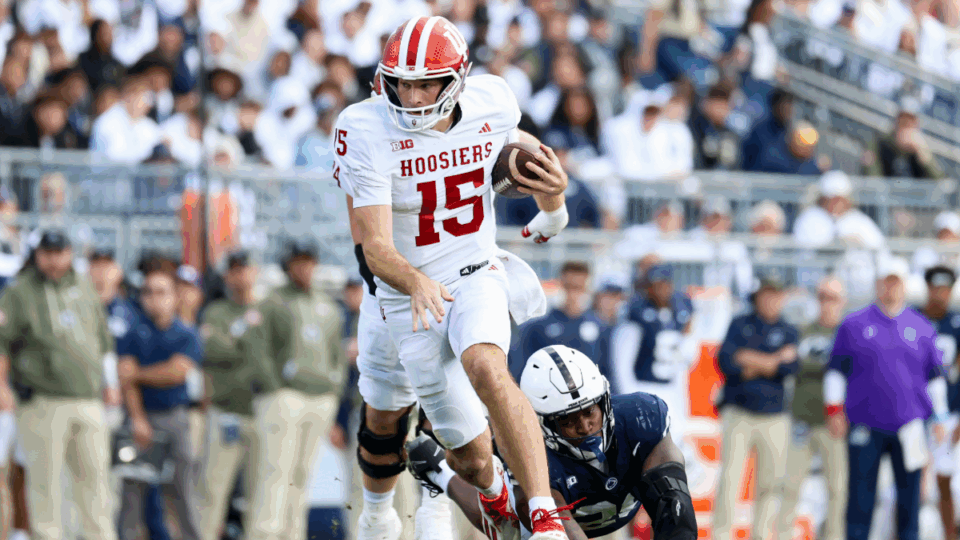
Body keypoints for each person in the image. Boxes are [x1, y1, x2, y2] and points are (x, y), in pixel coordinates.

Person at [335, 15, 573, 540]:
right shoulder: (365, 128)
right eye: (401, 82)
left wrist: (555, 204)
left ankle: (543, 515)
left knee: (487, 365)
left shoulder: (492, 102)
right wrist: (414, 281)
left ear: (456, 81)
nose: (411, 96)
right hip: (400, 293)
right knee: (423, 435)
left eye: (426, 83)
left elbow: (529, 156)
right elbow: (373, 245)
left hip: (474, 270)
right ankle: (389, 510)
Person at [405, 345, 698, 540]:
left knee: (673, 505)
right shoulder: (534, 453)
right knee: (510, 527)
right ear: (543, 423)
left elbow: (675, 509)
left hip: (616, 507)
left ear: (605, 401)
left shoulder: (641, 417)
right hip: (556, 521)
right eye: (568, 420)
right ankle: (440, 472)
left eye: (590, 411)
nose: (584, 426)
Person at [0, 231, 119, 540]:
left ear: (69, 253)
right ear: (38, 255)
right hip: (42, 399)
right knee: (45, 483)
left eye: (59, 252)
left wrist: (111, 382)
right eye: (47, 253)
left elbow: (102, 339)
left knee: (95, 479)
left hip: (88, 397)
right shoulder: (20, 292)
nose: (53, 260)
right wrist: (1, 386)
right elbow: (2, 343)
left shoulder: (84, 286)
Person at [824, 256, 950, 540]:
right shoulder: (853, 324)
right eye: (886, 281)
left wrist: (940, 416)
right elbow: (836, 371)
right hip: (864, 423)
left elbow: (935, 376)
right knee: (860, 495)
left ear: (905, 286)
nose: (891, 288)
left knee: (910, 496)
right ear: (877, 284)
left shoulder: (922, 327)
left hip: (911, 425)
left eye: (896, 282)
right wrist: (833, 409)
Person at [238, 239, 347, 540]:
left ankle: (292, 534)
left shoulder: (327, 305)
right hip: (284, 396)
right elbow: (257, 349)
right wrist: (275, 388)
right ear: (288, 266)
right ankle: (264, 535)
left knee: (302, 474)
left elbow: (337, 353)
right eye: (298, 262)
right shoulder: (272, 302)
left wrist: (334, 391)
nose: (304, 268)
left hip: (320, 397)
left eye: (309, 262)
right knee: (274, 470)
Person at [117, 257, 204, 540]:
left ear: (175, 296)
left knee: (182, 494)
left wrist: (138, 374)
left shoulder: (186, 333)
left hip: (175, 417)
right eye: (148, 292)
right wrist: (137, 419)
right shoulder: (132, 332)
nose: (154, 299)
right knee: (132, 497)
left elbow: (176, 372)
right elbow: (125, 380)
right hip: (140, 417)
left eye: (161, 292)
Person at [712, 273, 799, 540]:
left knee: (771, 483)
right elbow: (726, 362)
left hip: (775, 416)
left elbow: (790, 368)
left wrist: (749, 360)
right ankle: (721, 535)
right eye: (767, 294)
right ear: (757, 297)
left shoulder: (789, 329)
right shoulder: (740, 324)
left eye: (776, 295)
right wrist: (772, 361)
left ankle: (761, 535)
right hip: (739, 412)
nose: (771, 300)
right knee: (730, 479)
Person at [776, 277, 848, 540]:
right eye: (822, 297)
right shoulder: (802, 331)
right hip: (802, 419)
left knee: (837, 489)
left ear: (842, 301)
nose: (827, 303)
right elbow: (787, 365)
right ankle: (783, 535)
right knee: (790, 486)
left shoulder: (848, 333)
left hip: (834, 423)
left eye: (832, 298)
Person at [195, 251, 259, 540]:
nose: (239, 276)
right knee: (211, 489)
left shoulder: (268, 308)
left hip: (260, 411)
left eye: (244, 269)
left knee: (261, 492)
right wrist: (246, 340)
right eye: (234, 270)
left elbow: (268, 355)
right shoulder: (215, 311)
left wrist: (236, 343)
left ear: (255, 272)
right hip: (225, 410)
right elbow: (213, 349)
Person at [611, 264, 697, 440]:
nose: (661, 290)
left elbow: (688, 359)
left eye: (665, 284)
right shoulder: (636, 313)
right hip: (643, 386)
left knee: (675, 441)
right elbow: (621, 363)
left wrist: (687, 338)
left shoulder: (680, 312)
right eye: (656, 285)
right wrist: (630, 397)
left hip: (671, 388)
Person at [510, 262, 611, 383]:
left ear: (587, 289)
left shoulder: (601, 328)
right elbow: (521, 369)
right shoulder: (536, 328)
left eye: (578, 288)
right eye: (568, 287)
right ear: (560, 285)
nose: (573, 294)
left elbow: (607, 371)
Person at [917, 265, 960, 540]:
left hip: (949, 412)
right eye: (936, 288)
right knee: (909, 479)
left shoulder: (957, 323)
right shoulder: (913, 319)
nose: (940, 294)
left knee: (946, 480)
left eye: (945, 289)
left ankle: (949, 535)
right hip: (915, 411)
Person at [862, 96, 944, 179]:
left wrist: (923, 155)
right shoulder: (880, 142)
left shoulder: (922, 147)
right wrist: (894, 145)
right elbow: (872, 178)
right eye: (902, 119)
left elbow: (940, 181)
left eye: (911, 120)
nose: (906, 123)